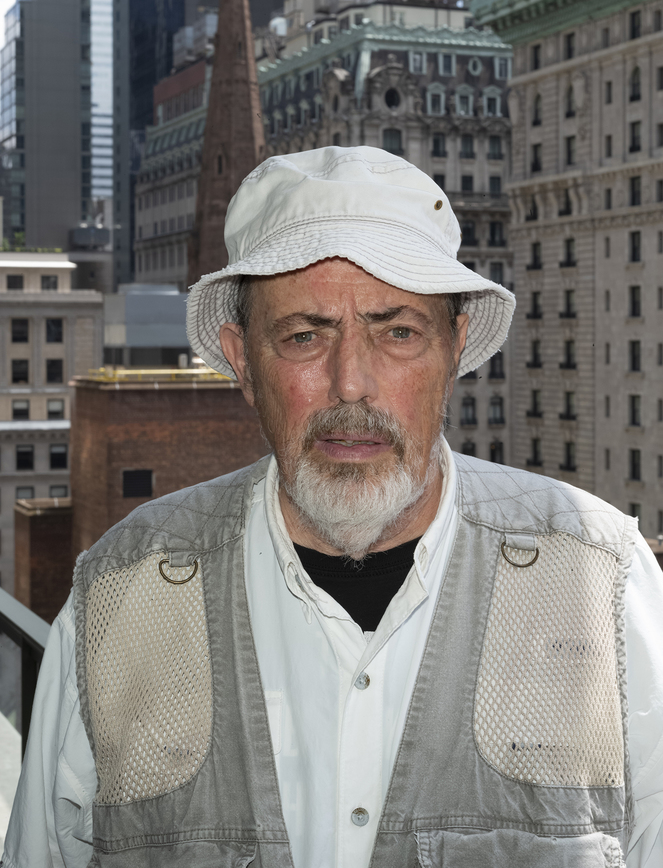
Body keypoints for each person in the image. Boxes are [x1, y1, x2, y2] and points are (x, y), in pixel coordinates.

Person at [4, 146, 663, 868]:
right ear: (243, 361)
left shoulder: (602, 581)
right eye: (304, 335)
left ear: (454, 349)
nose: (351, 383)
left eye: (398, 331)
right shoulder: (119, 597)